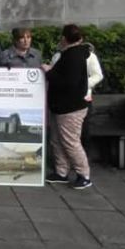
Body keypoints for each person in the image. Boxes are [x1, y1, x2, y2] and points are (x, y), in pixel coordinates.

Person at [42, 24, 93, 189]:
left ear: (64, 39)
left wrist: (49, 72)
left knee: (70, 142)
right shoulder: (76, 54)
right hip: (62, 106)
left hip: (70, 108)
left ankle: (84, 175)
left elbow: (67, 82)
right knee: (57, 140)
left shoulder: (72, 57)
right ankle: (61, 172)